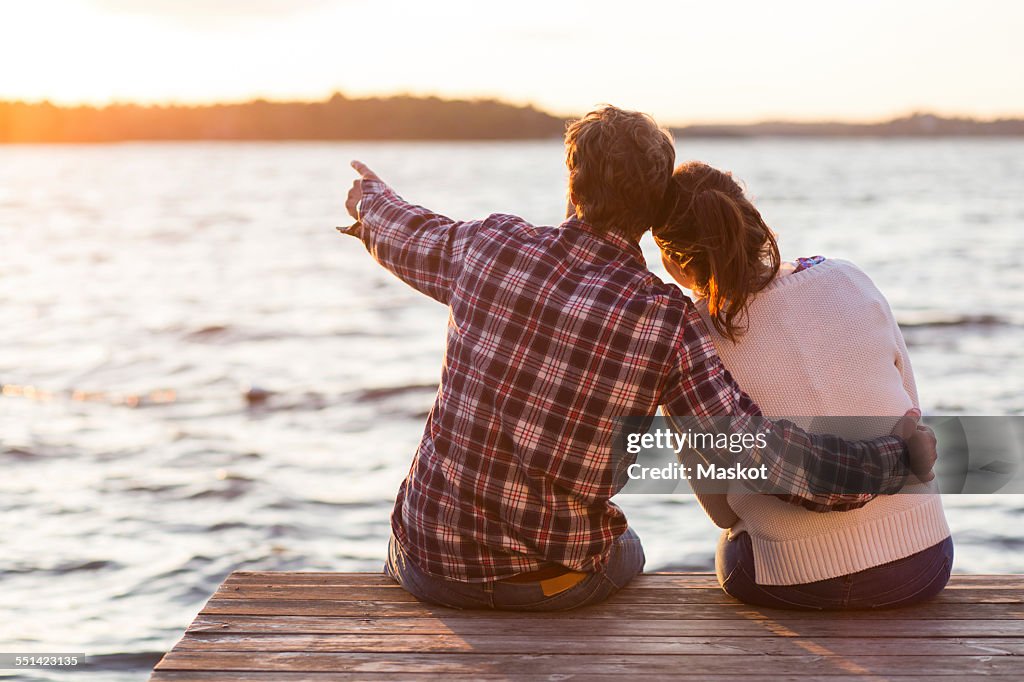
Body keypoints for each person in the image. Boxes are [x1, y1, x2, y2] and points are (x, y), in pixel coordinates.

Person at [337, 106, 936, 611]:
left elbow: (406, 232)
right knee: (630, 550)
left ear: (572, 185)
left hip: (429, 562)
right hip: (552, 582)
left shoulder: (489, 246)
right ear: (652, 215)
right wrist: (889, 460)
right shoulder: (665, 318)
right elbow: (761, 459)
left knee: (419, 524)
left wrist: (369, 199)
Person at [655, 161, 952, 609]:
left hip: (792, 578)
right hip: (923, 560)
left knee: (729, 548)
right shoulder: (848, 277)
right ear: (751, 218)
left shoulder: (688, 340)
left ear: (673, 260)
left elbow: (720, 512)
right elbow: (911, 413)